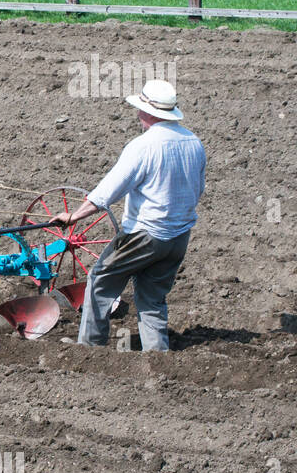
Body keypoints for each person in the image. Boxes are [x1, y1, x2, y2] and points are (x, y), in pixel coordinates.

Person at [51, 80, 206, 351]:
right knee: (152, 298)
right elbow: (198, 189)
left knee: (100, 282)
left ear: (149, 113)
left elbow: (107, 192)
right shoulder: (194, 143)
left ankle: (89, 349)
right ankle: (156, 355)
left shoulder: (144, 146)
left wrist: (74, 216)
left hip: (144, 235)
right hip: (179, 237)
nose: (137, 115)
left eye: (140, 110)